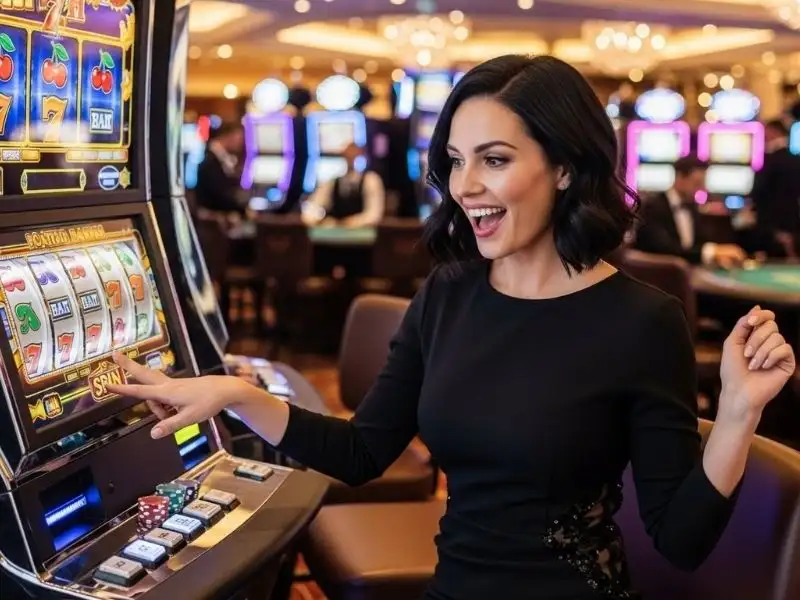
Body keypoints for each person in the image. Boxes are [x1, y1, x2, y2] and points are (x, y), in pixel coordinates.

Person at [108, 56, 795, 600]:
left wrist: (736, 413)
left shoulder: (643, 320)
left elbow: (679, 541)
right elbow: (362, 453)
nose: (463, 185)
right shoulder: (448, 292)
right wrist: (233, 393)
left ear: (562, 167)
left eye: (494, 159)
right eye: (456, 161)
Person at [633, 155, 746, 268]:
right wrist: (713, 252)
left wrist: (718, 256)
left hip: (686, 273)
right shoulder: (653, 207)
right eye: (697, 183)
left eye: (703, 184)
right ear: (680, 178)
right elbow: (665, 250)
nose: (701, 189)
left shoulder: (692, 207)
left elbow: (699, 243)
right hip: (653, 275)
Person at [302, 142, 385, 228]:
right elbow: (311, 209)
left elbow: (374, 215)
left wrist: (350, 223)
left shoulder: (371, 180)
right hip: (334, 235)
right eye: (347, 155)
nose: (350, 158)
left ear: (361, 155)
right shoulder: (332, 182)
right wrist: (320, 220)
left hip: (363, 235)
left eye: (354, 154)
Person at [750, 118, 800, 257]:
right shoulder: (795, 160)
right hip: (793, 222)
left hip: (770, 225)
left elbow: (758, 191)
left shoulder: (769, 160)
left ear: (774, 131)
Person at [196, 122, 247, 218]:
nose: (241, 142)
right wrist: (245, 209)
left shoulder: (221, 158)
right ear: (229, 136)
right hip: (212, 222)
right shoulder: (210, 160)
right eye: (239, 138)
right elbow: (218, 195)